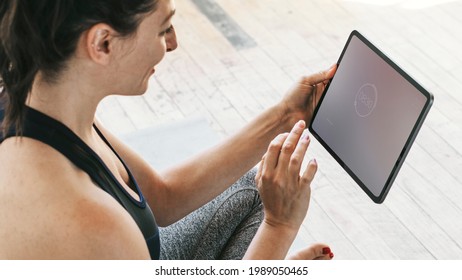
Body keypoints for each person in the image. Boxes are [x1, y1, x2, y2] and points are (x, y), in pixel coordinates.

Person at [0, 0, 336, 260]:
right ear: (102, 43)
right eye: (163, 29)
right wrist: (279, 230)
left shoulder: (38, 100)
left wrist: (287, 114)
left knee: (258, 186)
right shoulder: (92, 224)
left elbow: (162, 197)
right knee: (275, 204)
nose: (173, 43)